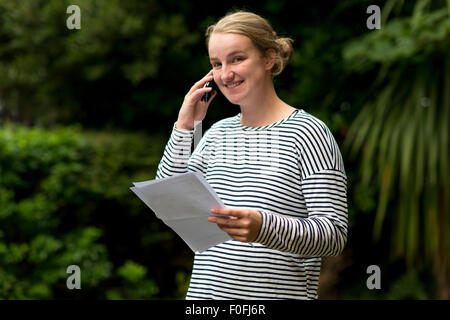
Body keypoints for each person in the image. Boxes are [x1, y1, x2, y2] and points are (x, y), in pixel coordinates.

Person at [155, 10, 348, 300]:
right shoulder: (217, 133)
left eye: (237, 59)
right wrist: (185, 126)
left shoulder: (308, 132)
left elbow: (333, 235)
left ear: (269, 59)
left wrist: (263, 227)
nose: (225, 74)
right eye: (216, 64)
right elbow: (169, 197)